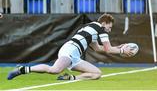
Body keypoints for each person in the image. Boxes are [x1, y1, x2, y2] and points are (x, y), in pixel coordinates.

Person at [7, 13, 136, 80]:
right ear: (104, 23)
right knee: (54, 70)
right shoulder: (100, 28)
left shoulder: (93, 29)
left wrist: (119, 47)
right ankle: (22, 69)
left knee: (97, 74)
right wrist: (121, 51)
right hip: (70, 49)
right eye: (109, 27)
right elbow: (108, 49)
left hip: (75, 55)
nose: (109, 30)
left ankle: (70, 78)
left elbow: (99, 49)